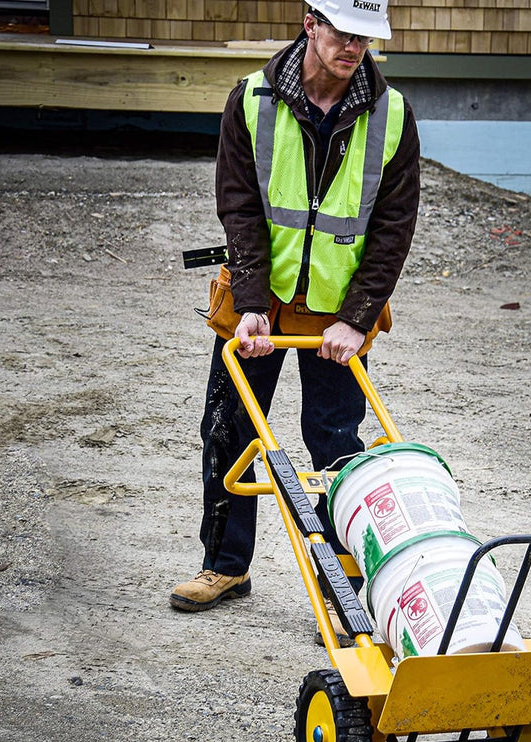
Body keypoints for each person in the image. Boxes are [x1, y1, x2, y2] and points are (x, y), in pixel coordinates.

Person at [170, 0, 420, 639]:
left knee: (336, 446)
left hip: (337, 312)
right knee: (227, 431)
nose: (354, 48)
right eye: (344, 31)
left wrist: (358, 317)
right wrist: (252, 302)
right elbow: (240, 205)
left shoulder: (391, 116)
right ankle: (226, 566)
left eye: (367, 37)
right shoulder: (252, 100)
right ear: (311, 22)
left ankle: (344, 587)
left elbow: (393, 227)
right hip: (261, 297)